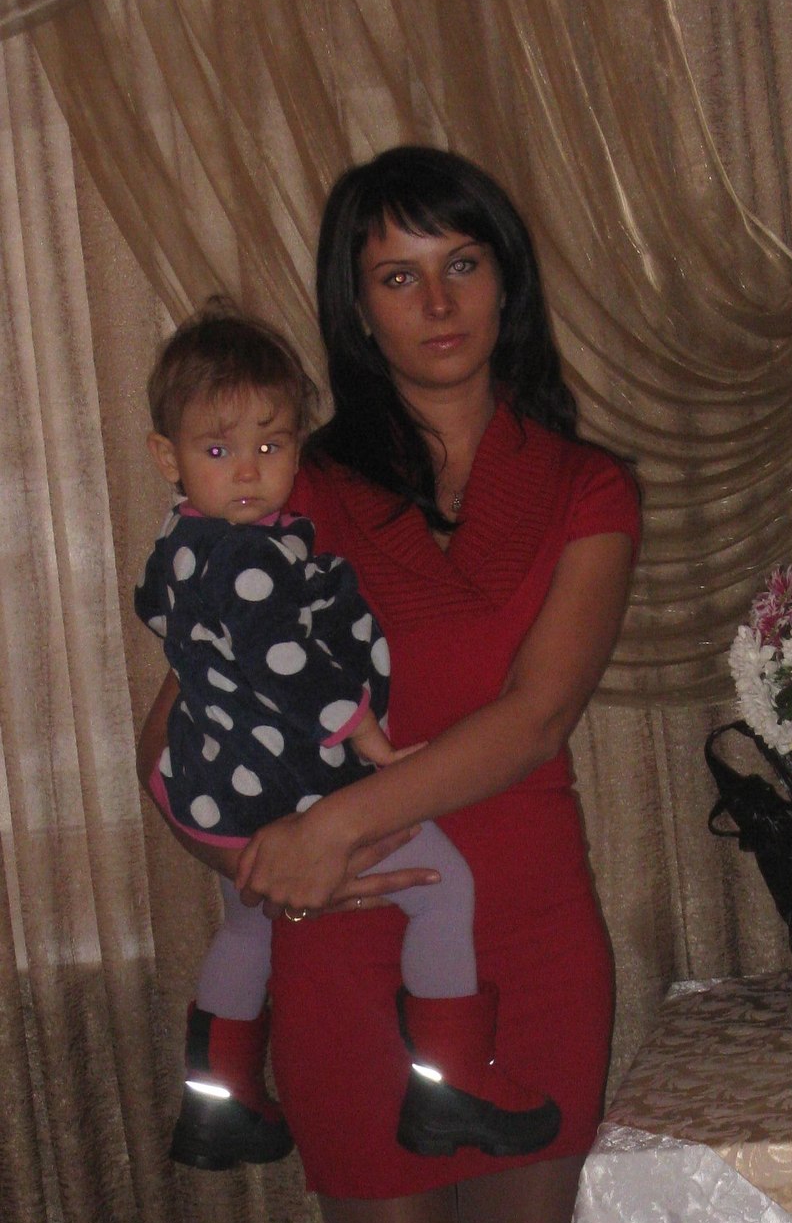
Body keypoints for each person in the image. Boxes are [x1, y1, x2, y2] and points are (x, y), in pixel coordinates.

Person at [139, 145, 640, 1223]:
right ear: (352, 302)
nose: (433, 302)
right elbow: (177, 722)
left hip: (534, 939)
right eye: (393, 273)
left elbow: (532, 720)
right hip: (352, 948)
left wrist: (330, 817)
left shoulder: (585, 483)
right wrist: (245, 847)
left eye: (460, 263)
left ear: (508, 277)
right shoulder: (298, 476)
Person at [137, 303, 559, 1172]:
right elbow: (288, 664)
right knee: (442, 889)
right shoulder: (247, 557)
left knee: (247, 927)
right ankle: (450, 1082)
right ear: (166, 456)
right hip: (279, 783)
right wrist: (362, 736)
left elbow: (163, 616)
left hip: (210, 784)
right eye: (218, 450)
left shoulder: (184, 539)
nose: (248, 471)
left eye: (271, 444)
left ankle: (218, 1098)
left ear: (298, 444)